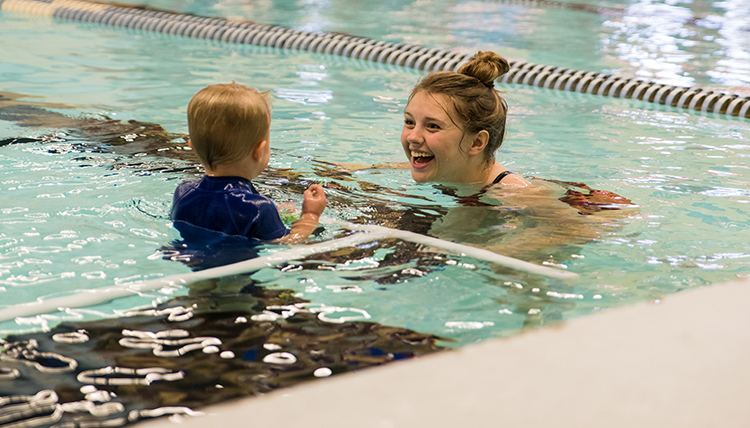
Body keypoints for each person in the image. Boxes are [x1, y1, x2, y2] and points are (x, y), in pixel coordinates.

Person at [170, 82, 326, 245]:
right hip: (238, 269)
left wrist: (276, 212)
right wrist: (311, 216)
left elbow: (220, 213)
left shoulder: (183, 192)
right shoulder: (259, 209)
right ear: (259, 151)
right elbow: (289, 243)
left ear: (192, 146)